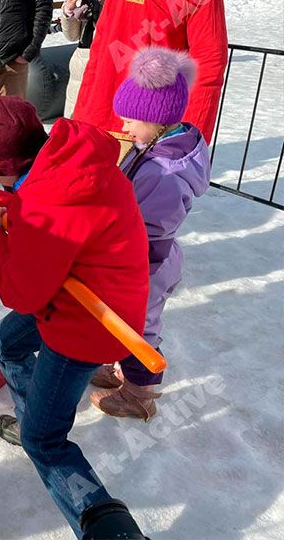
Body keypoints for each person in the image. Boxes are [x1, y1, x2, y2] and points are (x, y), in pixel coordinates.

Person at [0, 95, 149, 536]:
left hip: (91, 322)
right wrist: (10, 203)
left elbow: (21, 292)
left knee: (45, 441)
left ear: (3, 163)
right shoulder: (66, 157)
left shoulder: (48, 205)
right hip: (81, 293)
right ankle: (35, 418)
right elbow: (38, 205)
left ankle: (111, 530)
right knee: (6, 341)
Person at [89, 48, 211, 420]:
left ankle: (140, 392)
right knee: (120, 317)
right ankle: (116, 366)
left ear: (157, 120)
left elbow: (148, 228)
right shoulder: (159, 144)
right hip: (139, 256)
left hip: (147, 262)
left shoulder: (165, 175)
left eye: (131, 120)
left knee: (139, 328)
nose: (125, 127)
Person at [72, 0, 228, 152]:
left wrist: (188, 142)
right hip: (99, 122)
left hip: (150, 132)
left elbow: (208, 68)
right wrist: (81, 118)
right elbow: (99, 55)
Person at [61, 0, 125, 117]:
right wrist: (69, 9)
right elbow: (72, 35)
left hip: (109, 68)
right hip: (81, 66)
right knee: (75, 134)